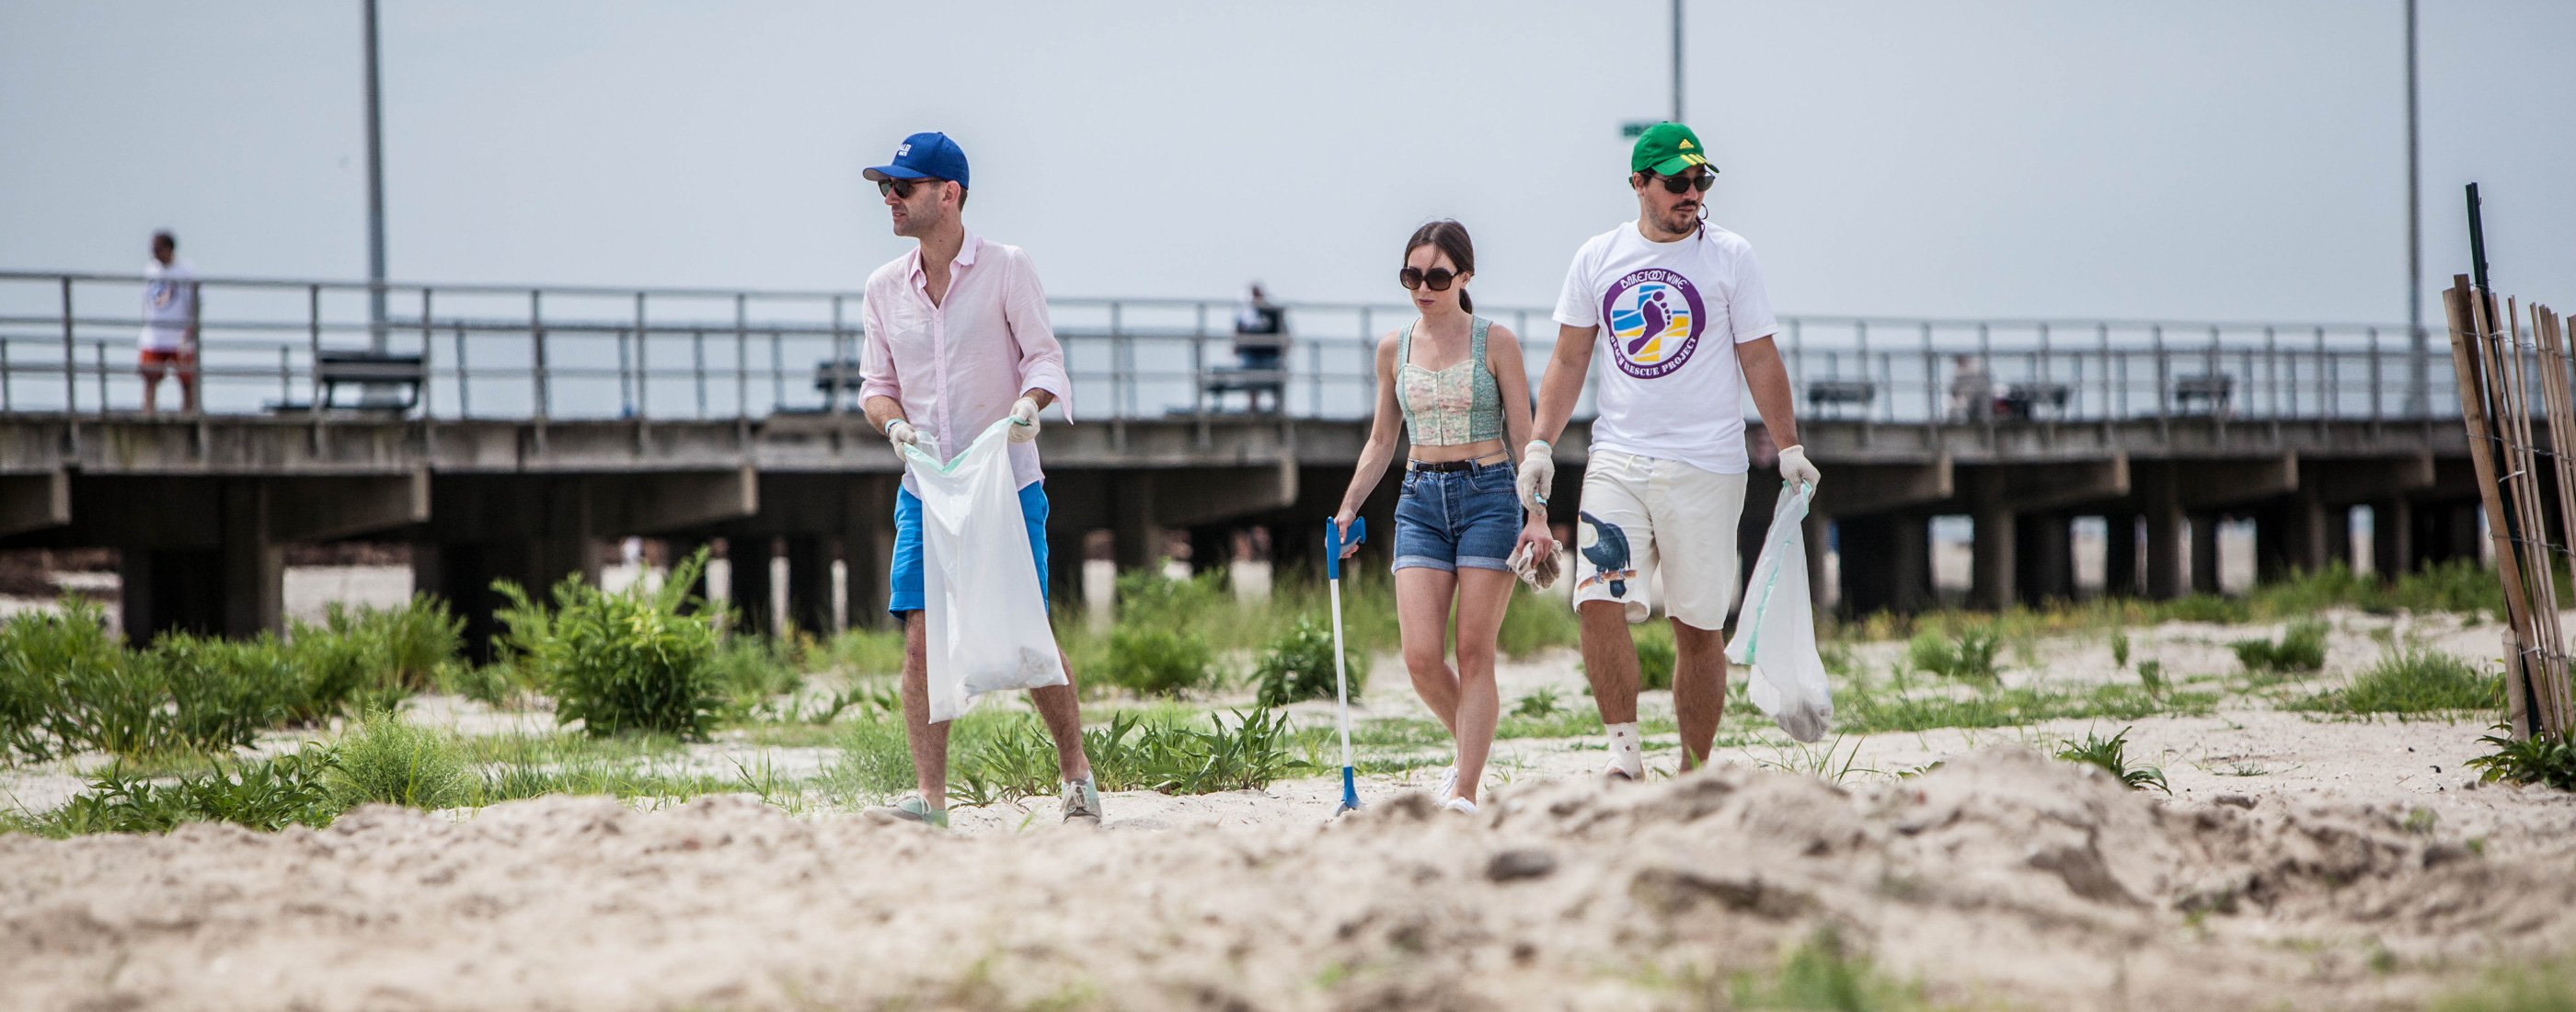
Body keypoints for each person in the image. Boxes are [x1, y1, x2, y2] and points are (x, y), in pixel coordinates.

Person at [1516, 122, 1822, 781]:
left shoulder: (1730, 256)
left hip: (1708, 467)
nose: (1691, 193)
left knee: (1695, 627)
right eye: (1676, 182)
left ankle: (1694, 771)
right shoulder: (1598, 257)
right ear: (1639, 185)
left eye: (1700, 181)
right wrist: (1540, 442)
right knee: (1596, 600)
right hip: (1618, 459)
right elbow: (1569, 359)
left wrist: (1790, 446)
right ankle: (1625, 759)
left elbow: (1759, 356)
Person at [855, 131, 1098, 828]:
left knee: (1030, 635)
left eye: (903, 186)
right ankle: (931, 800)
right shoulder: (881, 289)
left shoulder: (1007, 268)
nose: (891, 199)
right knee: (923, 636)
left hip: (1005, 483)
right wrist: (893, 426)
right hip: (925, 490)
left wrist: (1028, 406)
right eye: (886, 188)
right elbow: (877, 386)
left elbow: (1046, 362)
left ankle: (1075, 773)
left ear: (949, 194)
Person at [1331, 220, 1549, 815]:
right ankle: (1472, 746)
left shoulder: (1495, 342)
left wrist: (1537, 515)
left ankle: (1465, 788)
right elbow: (1381, 440)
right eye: (1411, 276)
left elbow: (1525, 434)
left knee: (1475, 651)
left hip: (1490, 496)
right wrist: (1348, 507)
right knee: (1421, 658)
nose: (1422, 288)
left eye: (1436, 277)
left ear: (1465, 277)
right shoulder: (1392, 349)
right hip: (1420, 497)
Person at [139, 231, 200, 415]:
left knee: (187, 380)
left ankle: (188, 415)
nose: (154, 253)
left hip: (179, 336)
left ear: (169, 249)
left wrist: (190, 329)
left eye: (158, 249)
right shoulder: (150, 270)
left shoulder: (186, 271)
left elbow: (196, 302)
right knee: (150, 378)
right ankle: (148, 414)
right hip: (154, 336)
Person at [1230, 282, 1287, 413]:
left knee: (1274, 380)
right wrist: (1236, 347)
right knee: (1251, 380)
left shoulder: (1272, 311)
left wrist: (1284, 352)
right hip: (1250, 354)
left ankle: (1277, 408)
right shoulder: (1246, 313)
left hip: (1270, 355)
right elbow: (1238, 332)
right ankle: (1253, 408)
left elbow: (1283, 333)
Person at [1949, 354, 1993, 421]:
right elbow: (1954, 390)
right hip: (1971, 399)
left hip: (1976, 398)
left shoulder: (1972, 372)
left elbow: (1956, 388)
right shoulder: (1964, 372)